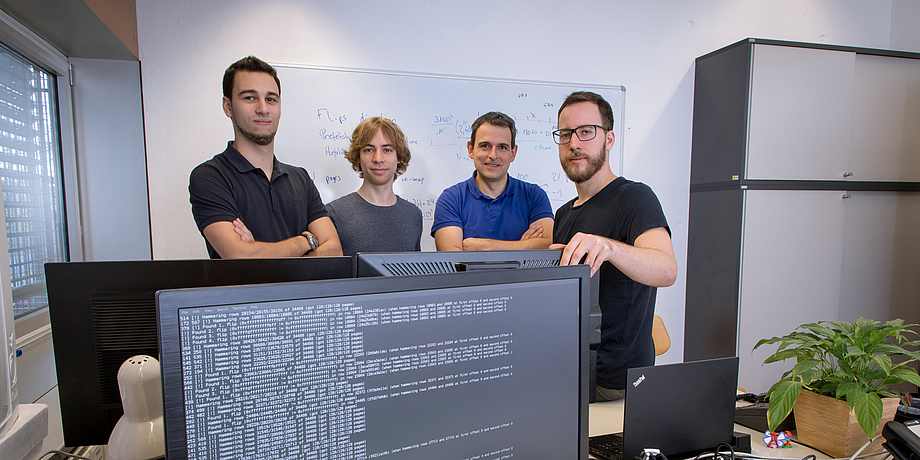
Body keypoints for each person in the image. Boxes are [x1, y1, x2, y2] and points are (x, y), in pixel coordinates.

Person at [550, 91, 678, 401]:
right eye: (565, 135)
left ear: (609, 139)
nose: (574, 144)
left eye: (586, 132)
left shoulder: (635, 198)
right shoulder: (565, 213)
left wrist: (610, 248)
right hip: (569, 375)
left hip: (615, 385)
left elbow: (666, 269)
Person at [189, 56, 341, 259]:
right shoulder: (211, 177)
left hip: (304, 293)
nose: (263, 108)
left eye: (271, 99)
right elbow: (242, 257)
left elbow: (334, 251)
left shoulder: (300, 179)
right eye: (249, 98)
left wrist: (261, 253)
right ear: (228, 106)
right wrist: (305, 241)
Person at [431, 111, 554, 251]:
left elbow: (548, 246)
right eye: (485, 146)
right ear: (471, 149)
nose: (493, 155)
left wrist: (484, 246)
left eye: (502, 147)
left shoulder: (534, 195)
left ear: (512, 153)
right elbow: (453, 262)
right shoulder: (451, 199)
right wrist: (522, 248)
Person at [325, 117, 422, 256]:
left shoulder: (413, 215)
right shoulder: (335, 213)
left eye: (387, 150)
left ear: (399, 156)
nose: (378, 159)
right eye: (369, 150)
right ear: (358, 156)